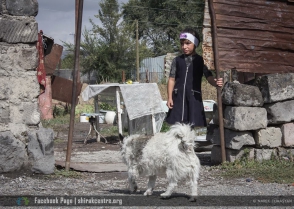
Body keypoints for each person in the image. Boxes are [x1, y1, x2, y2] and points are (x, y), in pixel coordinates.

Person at [166, 28, 223, 127]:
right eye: (182, 44)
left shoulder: (201, 61)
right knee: (176, 125)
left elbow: (208, 76)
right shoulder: (177, 60)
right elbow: (171, 79)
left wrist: (215, 82)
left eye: (188, 43)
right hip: (178, 98)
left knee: (194, 126)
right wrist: (169, 97)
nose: (184, 47)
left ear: (195, 44)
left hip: (193, 98)